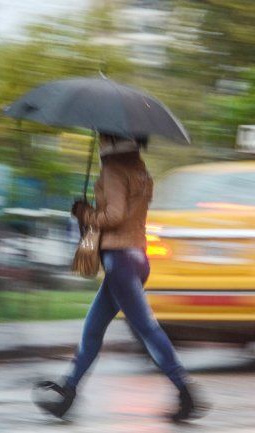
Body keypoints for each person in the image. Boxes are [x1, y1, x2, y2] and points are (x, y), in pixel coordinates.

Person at [34, 133, 209, 422]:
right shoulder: (140, 169)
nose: (100, 140)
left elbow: (114, 215)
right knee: (93, 329)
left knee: (147, 329)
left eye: (104, 136)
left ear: (114, 139)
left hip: (121, 262)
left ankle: (186, 393)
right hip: (136, 258)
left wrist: (86, 213)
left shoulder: (114, 169)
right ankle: (68, 391)